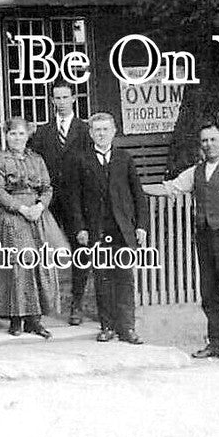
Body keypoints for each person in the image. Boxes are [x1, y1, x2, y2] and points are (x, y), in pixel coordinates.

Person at [152, 121, 219, 362]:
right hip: (205, 236)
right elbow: (170, 188)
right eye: (204, 141)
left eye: (212, 140)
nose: (208, 144)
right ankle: (217, 343)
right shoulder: (195, 172)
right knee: (209, 293)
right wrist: (135, 187)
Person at [66, 113, 147, 344]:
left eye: (105, 129)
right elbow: (75, 199)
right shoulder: (81, 160)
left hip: (121, 229)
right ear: (91, 134)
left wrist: (141, 225)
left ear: (114, 131)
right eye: (97, 130)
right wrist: (80, 228)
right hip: (96, 229)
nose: (101, 134)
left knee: (124, 278)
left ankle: (127, 328)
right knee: (102, 278)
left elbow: (137, 195)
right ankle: (107, 326)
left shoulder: (124, 158)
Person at [0, 116, 69, 337]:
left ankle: (35, 319)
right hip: (13, 216)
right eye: (13, 134)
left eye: (21, 134)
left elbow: (47, 187)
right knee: (18, 266)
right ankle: (16, 318)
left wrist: (40, 206)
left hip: (37, 216)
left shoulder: (37, 159)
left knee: (40, 265)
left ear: (27, 135)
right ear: (6, 135)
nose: (17, 138)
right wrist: (21, 209)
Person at [29, 81, 94, 324]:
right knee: (43, 250)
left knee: (81, 250)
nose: (61, 102)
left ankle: (76, 305)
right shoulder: (44, 132)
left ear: (73, 99)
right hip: (49, 201)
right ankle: (42, 306)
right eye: (57, 98)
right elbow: (34, 163)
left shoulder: (85, 130)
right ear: (52, 101)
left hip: (78, 201)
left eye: (66, 97)